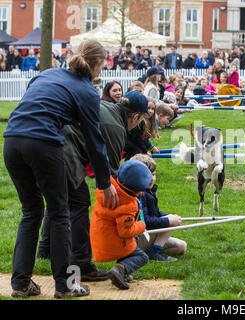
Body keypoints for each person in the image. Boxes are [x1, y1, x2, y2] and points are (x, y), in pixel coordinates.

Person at [3, 40, 118, 299]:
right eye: (102, 65)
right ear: (97, 65)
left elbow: (37, 100)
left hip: (11, 140)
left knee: (31, 211)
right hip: (43, 143)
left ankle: (20, 283)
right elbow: (94, 138)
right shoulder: (87, 91)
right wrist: (105, 181)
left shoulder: (47, 74)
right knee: (59, 212)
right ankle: (65, 285)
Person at [37, 90, 151, 283]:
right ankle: (82, 265)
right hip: (61, 148)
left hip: (40, 139)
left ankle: (45, 250)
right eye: (141, 120)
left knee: (59, 200)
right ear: (134, 116)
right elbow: (114, 179)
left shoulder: (107, 107)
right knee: (79, 203)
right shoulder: (117, 128)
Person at [90, 160, 151, 290]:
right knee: (142, 257)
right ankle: (119, 269)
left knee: (130, 244)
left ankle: (123, 272)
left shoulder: (107, 190)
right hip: (114, 243)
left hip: (100, 238)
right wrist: (141, 226)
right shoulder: (128, 205)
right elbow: (125, 232)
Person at [131, 154, 187, 261]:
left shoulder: (149, 192)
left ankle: (148, 253)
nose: (152, 178)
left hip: (147, 236)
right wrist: (168, 221)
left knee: (181, 247)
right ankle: (154, 253)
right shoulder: (139, 194)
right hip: (138, 238)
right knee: (171, 221)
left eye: (154, 174)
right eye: (148, 175)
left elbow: (154, 214)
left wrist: (167, 217)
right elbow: (145, 222)